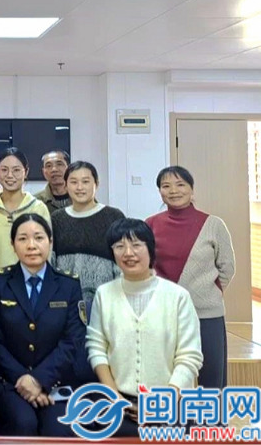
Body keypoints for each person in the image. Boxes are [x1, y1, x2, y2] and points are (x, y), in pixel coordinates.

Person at [87, 218, 203, 436]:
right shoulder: (104, 294)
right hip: (119, 403)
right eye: (119, 246)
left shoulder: (178, 296)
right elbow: (96, 348)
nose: (128, 253)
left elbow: (190, 357)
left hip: (171, 403)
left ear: (150, 249)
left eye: (136, 245)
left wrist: (163, 402)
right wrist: (114, 397)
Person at [0, 214, 84, 437]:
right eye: (23, 239)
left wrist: (39, 380)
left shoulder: (68, 285)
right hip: (9, 383)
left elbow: (72, 340)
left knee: (59, 428)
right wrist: (24, 380)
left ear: (50, 242)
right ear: (12, 244)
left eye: (39, 238)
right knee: (23, 423)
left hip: (55, 383)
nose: (31, 245)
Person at [146, 166, 234, 389]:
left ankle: (210, 414)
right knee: (166, 379)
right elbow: (145, 266)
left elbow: (227, 267)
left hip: (206, 314)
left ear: (192, 189)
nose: (173, 191)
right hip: (164, 314)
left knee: (212, 378)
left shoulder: (213, 224)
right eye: (166, 186)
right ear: (160, 192)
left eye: (180, 184)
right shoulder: (150, 224)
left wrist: (207, 292)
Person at [0, 147, 51, 283]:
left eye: (16, 170)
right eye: (4, 170)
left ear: (26, 172)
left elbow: (45, 248)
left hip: (30, 285)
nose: (10, 175)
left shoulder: (38, 208)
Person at [51, 161, 124, 302]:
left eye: (85, 181)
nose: (79, 187)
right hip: (66, 300)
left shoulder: (113, 216)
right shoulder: (57, 219)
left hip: (106, 300)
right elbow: (51, 262)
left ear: (96, 184)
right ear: (65, 185)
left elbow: (122, 261)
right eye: (74, 182)